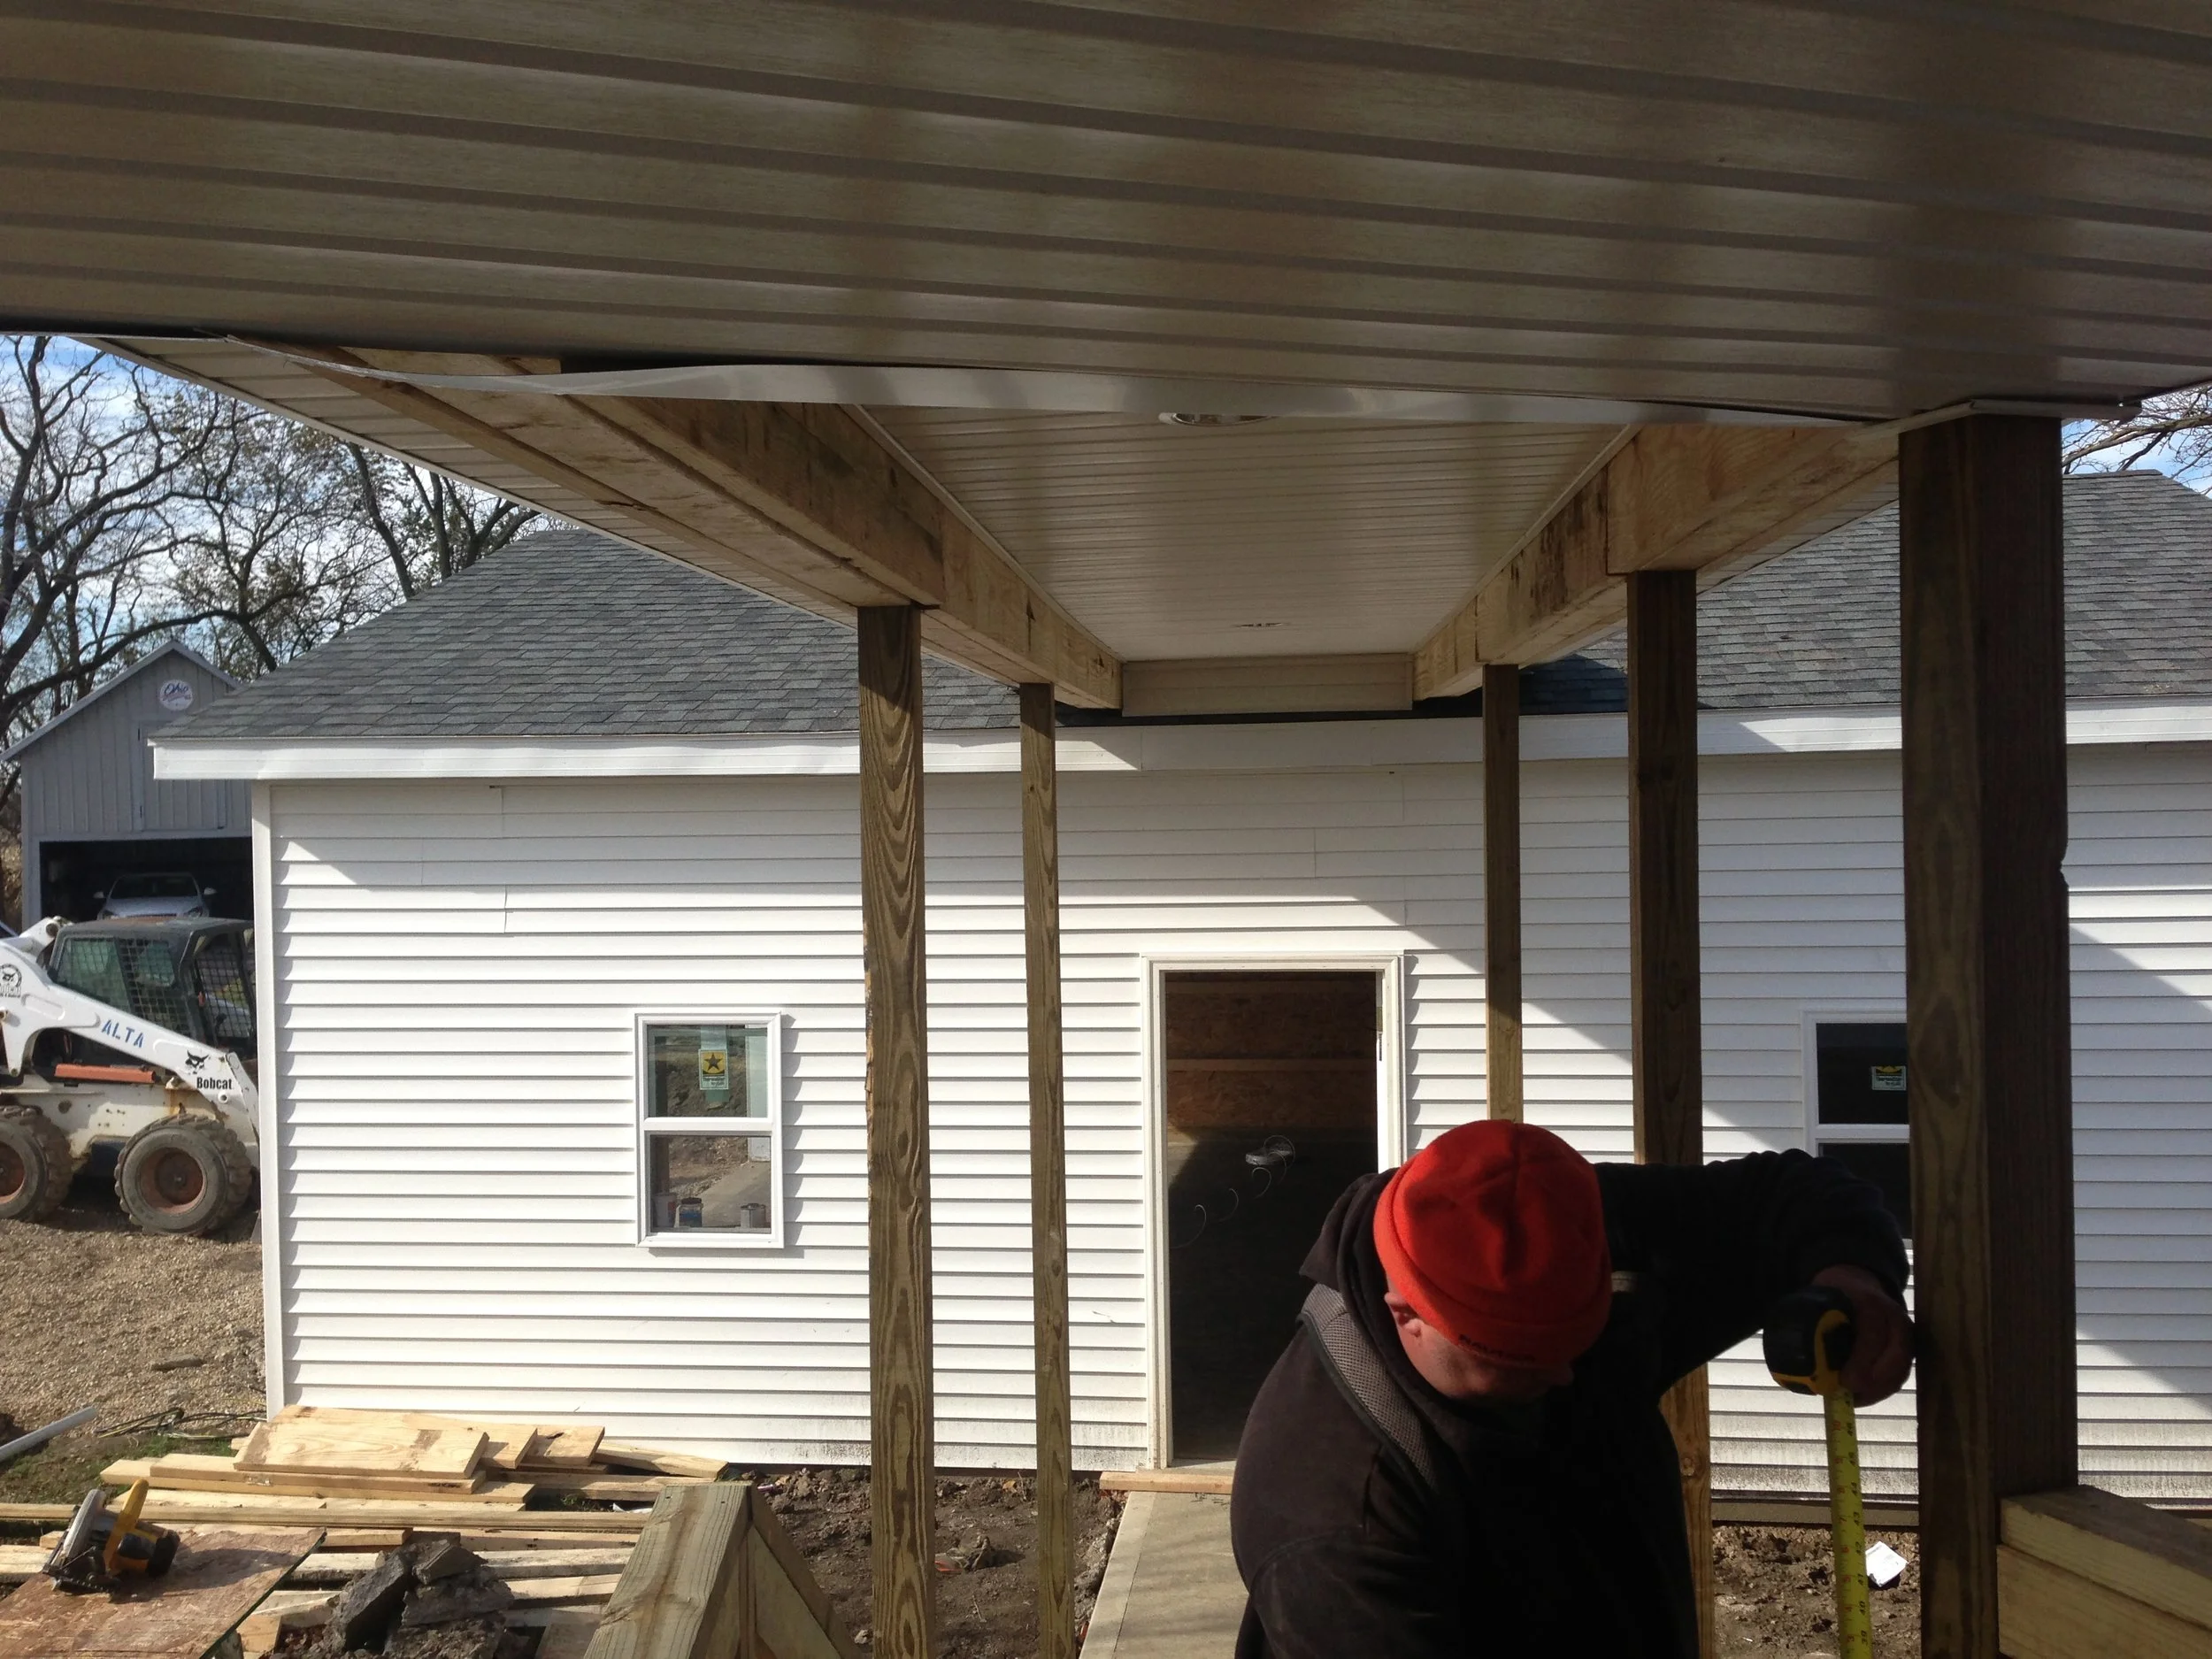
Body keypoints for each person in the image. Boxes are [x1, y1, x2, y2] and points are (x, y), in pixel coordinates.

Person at [1231, 1119, 1913, 1658]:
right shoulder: (1337, 1522)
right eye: (1521, 1362)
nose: (1565, 1376)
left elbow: (1794, 1194)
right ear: (1408, 1313)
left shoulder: (1549, 1221)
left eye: (1580, 1337)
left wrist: (1855, 1277)